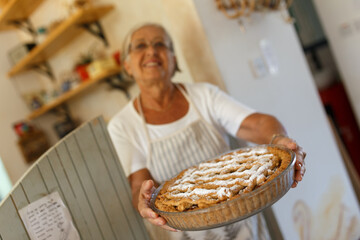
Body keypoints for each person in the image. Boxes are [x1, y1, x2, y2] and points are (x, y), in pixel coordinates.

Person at [108, 23, 306, 240]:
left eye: (160, 44)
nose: (152, 51)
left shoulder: (204, 95)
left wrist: (279, 139)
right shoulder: (122, 125)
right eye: (140, 46)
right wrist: (142, 199)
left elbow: (257, 124)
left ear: (174, 60)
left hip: (245, 228)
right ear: (126, 65)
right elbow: (139, 185)